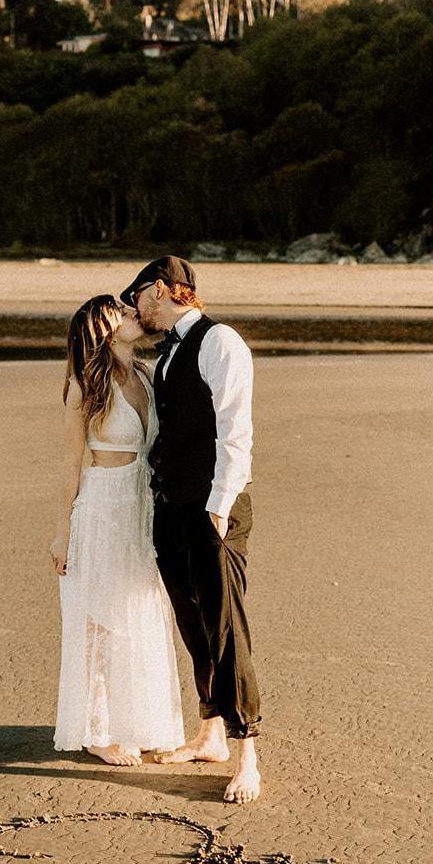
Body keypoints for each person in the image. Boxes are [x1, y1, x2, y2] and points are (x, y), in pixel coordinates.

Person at [120, 256, 263, 804]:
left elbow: (235, 431)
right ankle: (210, 732)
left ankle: (247, 750)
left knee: (227, 629)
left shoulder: (221, 341)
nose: (135, 309)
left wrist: (219, 506)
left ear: (159, 291)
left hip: (211, 511)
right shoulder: (167, 353)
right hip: (171, 508)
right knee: (193, 623)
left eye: (136, 298)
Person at [49, 294, 186, 766]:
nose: (134, 316)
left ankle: (139, 720)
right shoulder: (85, 384)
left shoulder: (146, 377)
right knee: (99, 621)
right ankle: (97, 730)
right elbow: (70, 464)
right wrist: (62, 533)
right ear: (104, 331)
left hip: (142, 506)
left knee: (139, 609)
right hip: (103, 507)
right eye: (123, 314)